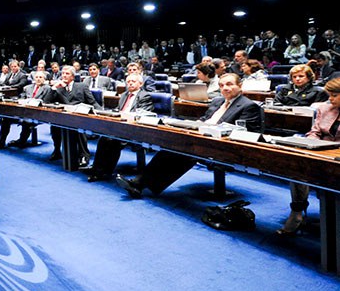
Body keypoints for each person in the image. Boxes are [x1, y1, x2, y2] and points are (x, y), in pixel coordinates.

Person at [116, 74, 263, 198]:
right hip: (203, 138)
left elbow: (246, 134)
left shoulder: (248, 106)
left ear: (240, 86)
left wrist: (212, 129)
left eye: (229, 84)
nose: (225, 88)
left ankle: (141, 185)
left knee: (183, 151)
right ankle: (140, 185)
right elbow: (205, 119)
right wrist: (194, 124)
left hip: (223, 146)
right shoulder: (218, 101)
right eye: (222, 85)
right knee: (172, 149)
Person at [276, 78, 340, 235]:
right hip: (321, 151)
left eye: (334, 95)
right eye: (329, 95)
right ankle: (297, 212)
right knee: (298, 167)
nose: (330, 99)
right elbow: (315, 131)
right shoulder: (325, 108)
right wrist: (311, 144)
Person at [86, 73, 154, 182]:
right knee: (103, 139)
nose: (130, 83)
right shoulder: (123, 95)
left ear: (140, 84)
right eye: (128, 81)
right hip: (120, 125)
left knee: (112, 141)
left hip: (134, 128)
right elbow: (119, 109)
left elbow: (142, 114)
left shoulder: (145, 96)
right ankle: (97, 170)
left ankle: (105, 171)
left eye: (133, 81)